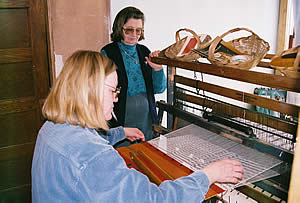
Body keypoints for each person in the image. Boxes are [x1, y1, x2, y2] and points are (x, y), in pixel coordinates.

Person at [31, 50, 244, 202]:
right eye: (112, 91)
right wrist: (207, 176)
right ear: (89, 91)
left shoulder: (51, 128)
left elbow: (85, 150)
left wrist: (120, 132)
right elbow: (155, 200)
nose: (115, 99)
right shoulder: (93, 156)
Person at [101, 6, 167, 148]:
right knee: (123, 155)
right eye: (129, 30)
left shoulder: (144, 51)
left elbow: (159, 88)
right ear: (120, 28)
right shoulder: (108, 52)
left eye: (139, 30)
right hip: (121, 116)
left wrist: (158, 69)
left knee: (145, 154)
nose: (134, 35)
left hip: (145, 117)